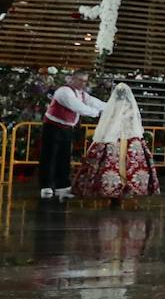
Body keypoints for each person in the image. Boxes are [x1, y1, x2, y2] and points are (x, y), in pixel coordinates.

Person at [73, 82, 158, 202]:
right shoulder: (130, 106)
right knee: (129, 164)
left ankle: (112, 189)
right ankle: (126, 188)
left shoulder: (112, 106)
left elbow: (107, 123)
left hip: (112, 138)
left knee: (109, 163)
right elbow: (134, 123)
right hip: (129, 139)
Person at [39, 71, 107, 200]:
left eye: (85, 81)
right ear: (72, 79)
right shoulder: (63, 92)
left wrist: (111, 107)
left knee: (64, 157)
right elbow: (78, 107)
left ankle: (62, 187)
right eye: (80, 80)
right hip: (52, 127)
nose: (83, 83)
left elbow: (94, 102)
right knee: (49, 156)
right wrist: (98, 113)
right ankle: (46, 186)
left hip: (67, 128)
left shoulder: (82, 94)